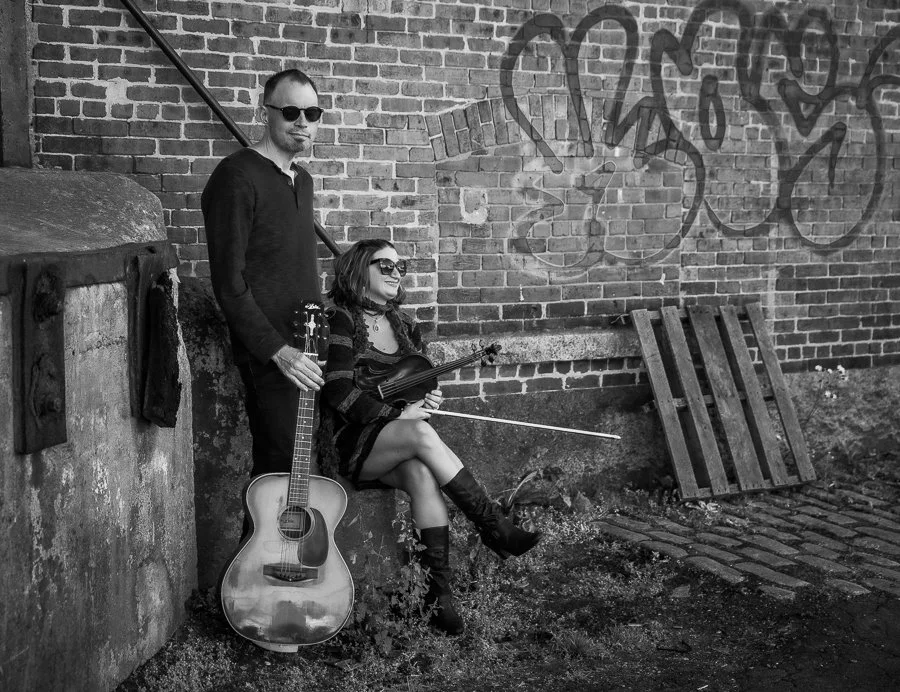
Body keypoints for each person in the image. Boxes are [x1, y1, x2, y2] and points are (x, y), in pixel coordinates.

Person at [317, 239, 541, 635]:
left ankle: (438, 598)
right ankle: (494, 526)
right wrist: (397, 414)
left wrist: (427, 396)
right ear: (357, 271)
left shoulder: (406, 327)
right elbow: (336, 391)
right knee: (420, 433)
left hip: (394, 442)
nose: (394, 271)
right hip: (351, 442)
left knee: (422, 474)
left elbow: (413, 389)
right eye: (382, 264)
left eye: (398, 265)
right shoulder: (342, 321)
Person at [202, 68, 327, 482]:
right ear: (265, 112)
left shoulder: (302, 180)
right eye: (291, 111)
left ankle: (266, 550)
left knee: (291, 478)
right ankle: (254, 551)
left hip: (308, 351)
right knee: (281, 476)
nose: (303, 122)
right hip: (272, 357)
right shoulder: (236, 177)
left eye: (313, 112)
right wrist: (279, 351)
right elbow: (229, 284)